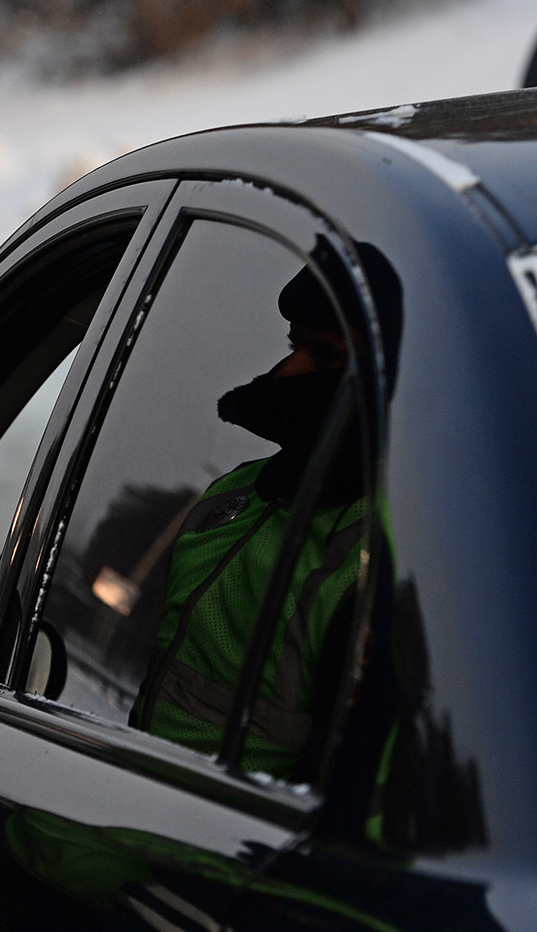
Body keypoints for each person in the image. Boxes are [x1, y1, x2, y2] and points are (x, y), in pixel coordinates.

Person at [131, 240, 401, 784]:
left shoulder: (389, 557)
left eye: (325, 358)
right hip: (78, 847)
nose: (287, 372)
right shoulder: (234, 496)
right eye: (293, 344)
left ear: (396, 381)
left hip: (209, 865)